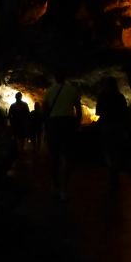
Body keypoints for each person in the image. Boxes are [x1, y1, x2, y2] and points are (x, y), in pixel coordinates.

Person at [43, 70, 82, 200]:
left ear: (55, 77)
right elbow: (78, 109)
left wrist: (46, 127)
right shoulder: (72, 90)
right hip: (68, 123)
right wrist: (77, 124)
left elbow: (45, 110)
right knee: (68, 156)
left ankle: (56, 187)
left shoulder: (49, 91)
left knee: (54, 157)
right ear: (65, 77)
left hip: (54, 124)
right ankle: (64, 189)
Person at [95, 77, 130, 187]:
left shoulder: (102, 96)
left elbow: (98, 112)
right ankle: (116, 170)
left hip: (106, 126)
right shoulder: (120, 96)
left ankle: (111, 168)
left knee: (107, 149)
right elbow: (125, 112)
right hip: (118, 126)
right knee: (117, 149)